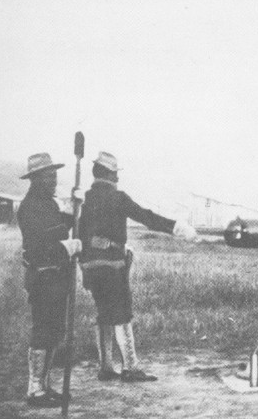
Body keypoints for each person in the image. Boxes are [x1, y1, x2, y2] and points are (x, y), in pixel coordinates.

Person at [79, 151, 197, 382]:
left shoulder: (86, 200)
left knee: (104, 314)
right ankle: (130, 368)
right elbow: (146, 217)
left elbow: (80, 232)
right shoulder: (118, 198)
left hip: (90, 266)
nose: (117, 178)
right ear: (110, 175)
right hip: (113, 265)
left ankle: (105, 367)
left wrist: (84, 260)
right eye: (115, 173)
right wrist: (177, 228)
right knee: (122, 313)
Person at [18, 153, 83, 408]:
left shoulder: (47, 204)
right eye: (48, 176)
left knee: (55, 330)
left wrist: (74, 208)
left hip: (56, 277)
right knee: (43, 330)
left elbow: (59, 228)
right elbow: (37, 248)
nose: (54, 180)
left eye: (54, 175)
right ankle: (35, 389)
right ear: (35, 179)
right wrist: (66, 247)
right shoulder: (29, 207)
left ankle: (43, 385)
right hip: (43, 277)